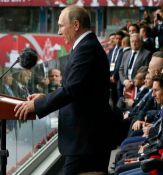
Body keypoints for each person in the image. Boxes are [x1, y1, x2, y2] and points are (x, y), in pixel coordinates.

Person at [14, 5, 113, 174]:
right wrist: (46, 96)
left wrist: (37, 105)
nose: (59, 32)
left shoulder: (86, 49)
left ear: (75, 25)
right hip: (84, 140)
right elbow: (78, 88)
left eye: (61, 26)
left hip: (86, 141)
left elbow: (71, 90)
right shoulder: (85, 47)